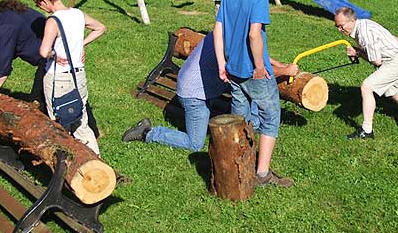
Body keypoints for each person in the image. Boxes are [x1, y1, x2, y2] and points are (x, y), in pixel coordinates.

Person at [122, 32, 298, 152]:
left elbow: (254, 53)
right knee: (194, 144)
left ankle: (250, 124)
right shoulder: (230, 41)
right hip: (193, 94)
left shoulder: (228, 29)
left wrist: (279, 65)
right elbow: (252, 72)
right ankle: (147, 132)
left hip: (205, 85)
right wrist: (285, 72)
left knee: (244, 90)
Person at [213, 0, 292, 187]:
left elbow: (218, 31)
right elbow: (254, 34)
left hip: (233, 69)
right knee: (270, 118)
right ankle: (262, 174)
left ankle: (240, 163)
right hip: (252, 70)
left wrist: (221, 64)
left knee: (241, 118)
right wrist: (259, 67)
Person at [30, 0, 106, 154]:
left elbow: (43, 52)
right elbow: (100, 28)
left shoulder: (53, 21)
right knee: (81, 119)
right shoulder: (78, 14)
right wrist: (81, 45)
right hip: (79, 75)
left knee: (59, 122)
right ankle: (94, 159)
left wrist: (54, 55)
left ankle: (66, 160)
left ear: (44, 1)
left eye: (39, 4)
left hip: (59, 77)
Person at [334, 6, 398, 140]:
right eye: (337, 26)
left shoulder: (364, 33)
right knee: (391, 92)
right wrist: (359, 51)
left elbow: (376, 61)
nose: (339, 29)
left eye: (341, 26)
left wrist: (357, 53)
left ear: (352, 20)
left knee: (367, 87)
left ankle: (367, 130)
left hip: (395, 62)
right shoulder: (361, 27)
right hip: (396, 59)